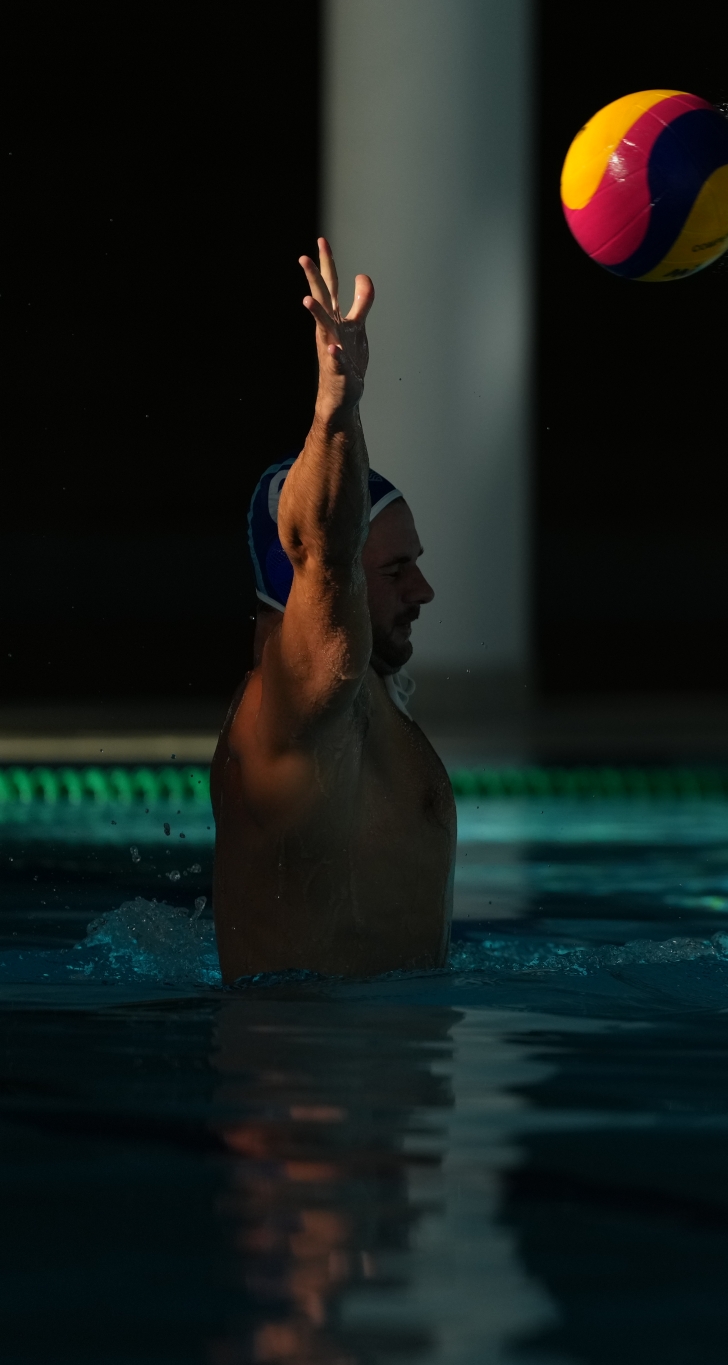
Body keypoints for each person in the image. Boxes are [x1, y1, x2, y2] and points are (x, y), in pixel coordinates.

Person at [210, 240, 453, 982]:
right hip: (308, 1085)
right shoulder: (291, 708)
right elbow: (324, 549)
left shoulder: (365, 709)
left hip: (371, 1069)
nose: (423, 591)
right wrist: (336, 410)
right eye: (395, 569)